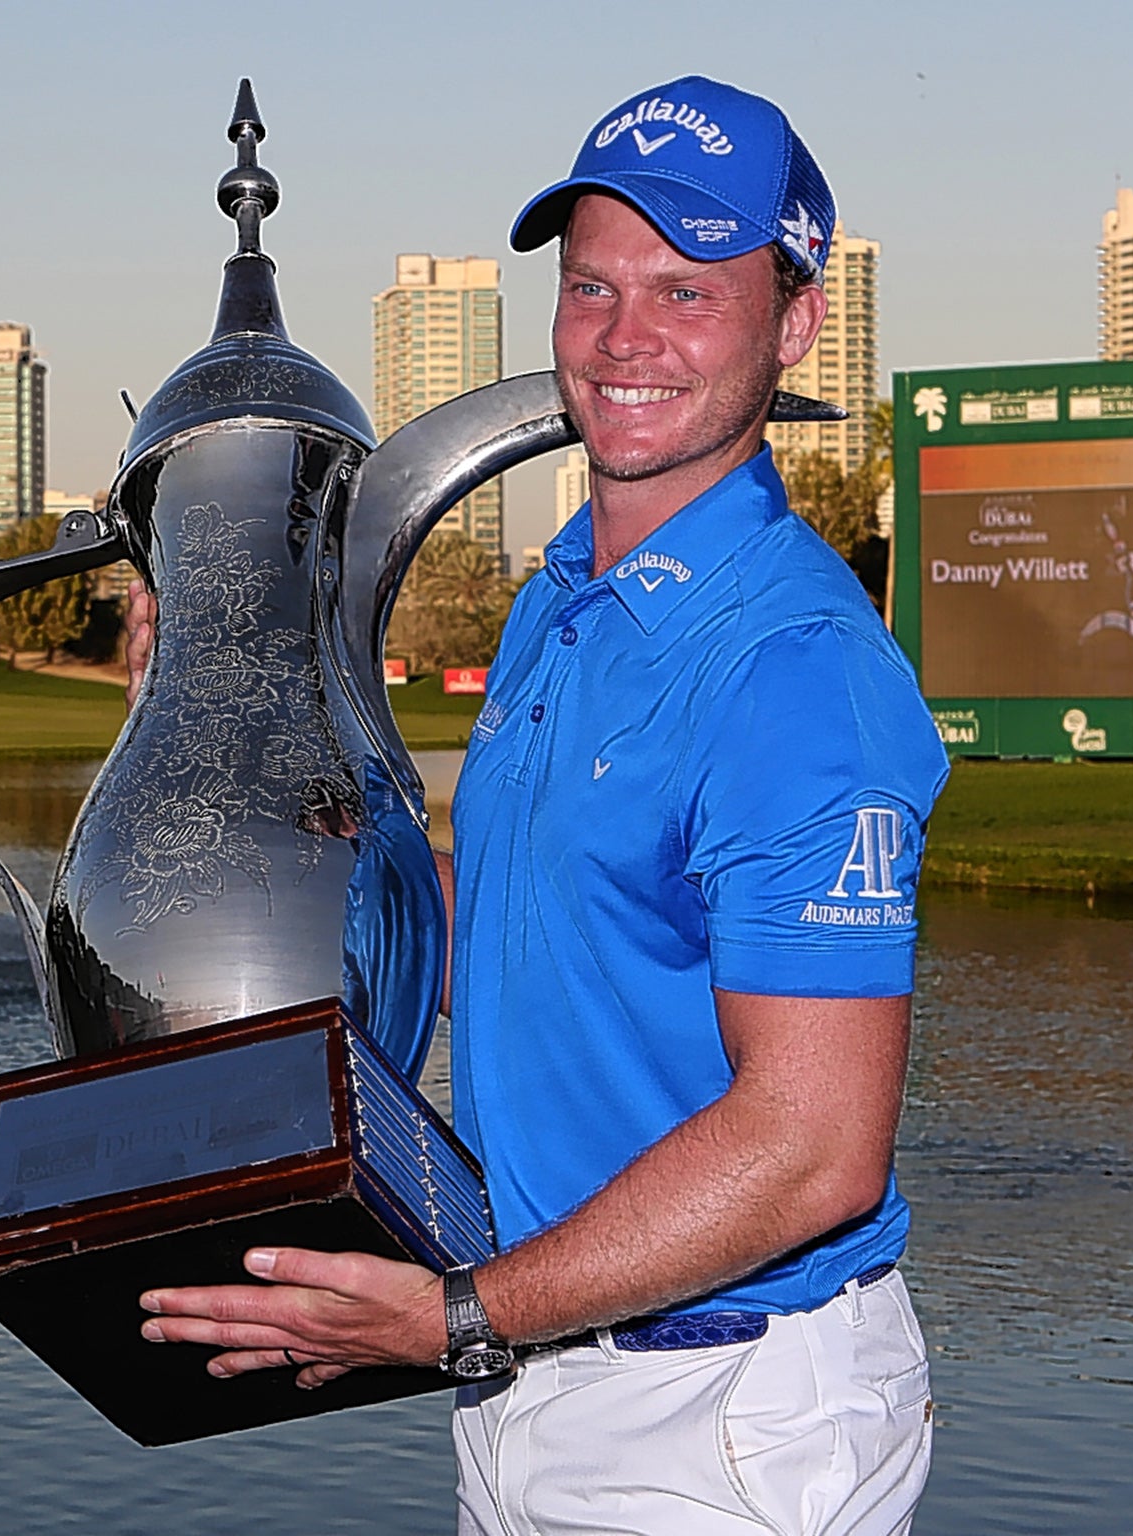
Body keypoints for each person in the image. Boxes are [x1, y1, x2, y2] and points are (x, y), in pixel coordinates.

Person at [135, 75, 949, 1535]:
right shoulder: (559, 598)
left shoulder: (797, 673)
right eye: (592, 288)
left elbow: (815, 1149)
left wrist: (455, 1313)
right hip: (536, 1374)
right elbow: (539, 923)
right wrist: (272, 781)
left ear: (797, 320)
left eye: (689, 293)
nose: (627, 339)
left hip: (724, 1416)